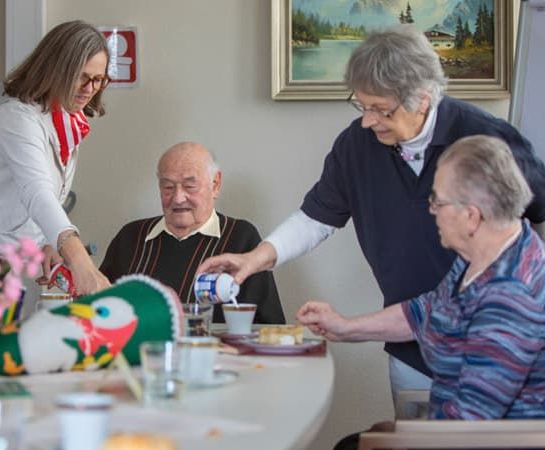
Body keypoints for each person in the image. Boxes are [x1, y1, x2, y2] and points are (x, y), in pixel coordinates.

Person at [198, 25, 545, 406]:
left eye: (381, 109)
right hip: (408, 343)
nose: (368, 120)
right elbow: (317, 218)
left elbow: (533, 213)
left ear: (423, 97)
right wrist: (255, 260)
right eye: (362, 106)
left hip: (489, 338)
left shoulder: (485, 140)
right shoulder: (357, 144)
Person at [297, 136, 545, 449]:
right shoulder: (488, 254)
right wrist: (345, 326)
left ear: (471, 215)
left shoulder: (509, 299)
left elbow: (468, 429)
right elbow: (426, 310)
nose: (431, 211)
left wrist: (399, 438)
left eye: (437, 202)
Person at [0, 20, 111, 298]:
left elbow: (48, 199)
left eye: (98, 79)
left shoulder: (67, 121)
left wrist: (50, 242)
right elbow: (37, 193)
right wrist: (80, 262)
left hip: (0, 251)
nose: (90, 88)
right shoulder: (17, 119)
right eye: (82, 77)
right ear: (56, 71)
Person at [100, 142, 284, 324]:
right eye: (168, 187)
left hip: (215, 353)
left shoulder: (241, 238)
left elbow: (269, 326)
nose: (178, 198)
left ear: (215, 184)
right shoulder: (131, 236)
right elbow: (96, 311)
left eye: (190, 186)